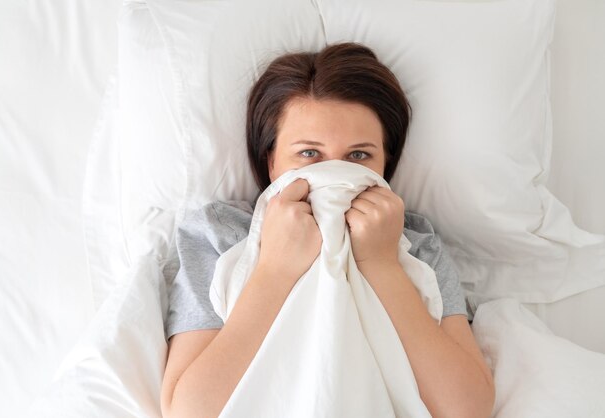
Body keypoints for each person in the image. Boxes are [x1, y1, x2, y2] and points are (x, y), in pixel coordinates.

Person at [160, 42, 495, 418]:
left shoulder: (416, 243)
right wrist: (275, 271)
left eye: (358, 156)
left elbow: (467, 409)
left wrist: (382, 265)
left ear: (385, 164)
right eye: (308, 154)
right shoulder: (218, 234)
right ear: (271, 160)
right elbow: (190, 411)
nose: (332, 172)